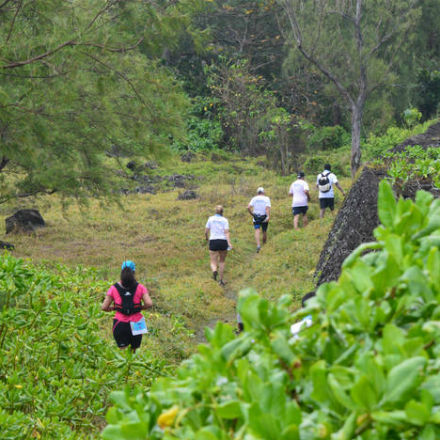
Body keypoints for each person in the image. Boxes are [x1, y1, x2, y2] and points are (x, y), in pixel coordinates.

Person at [101, 260, 153, 352]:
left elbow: (104, 307)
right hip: (137, 323)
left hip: (120, 323)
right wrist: (139, 307)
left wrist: (113, 308)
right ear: (134, 272)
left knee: (123, 354)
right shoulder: (140, 287)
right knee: (134, 352)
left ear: (121, 271)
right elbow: (149, 303)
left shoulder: (113, 288)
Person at [205, 205, 232, 286]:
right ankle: (221, 280)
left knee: (213, 261)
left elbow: (206, 231)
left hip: (213, 240)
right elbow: (226, 232)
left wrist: (207, 238)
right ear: (222, 212)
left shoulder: (210, 219)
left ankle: (214, 271)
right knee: (222, 261)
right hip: (223, 241)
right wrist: (229, 243)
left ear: (215, 211)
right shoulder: (225, 220)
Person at [247, 187, 271, 253]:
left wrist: (252, 214)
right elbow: (267, 208)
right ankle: (264, 244)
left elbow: (248, 207)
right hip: (264, 216)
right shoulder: (266, 198)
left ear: (257, 192)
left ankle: (258, 245)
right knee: (264, 231)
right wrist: (268, 216)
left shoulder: (254, 198)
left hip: (256, 216)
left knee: (257, 230)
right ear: (263, 192)